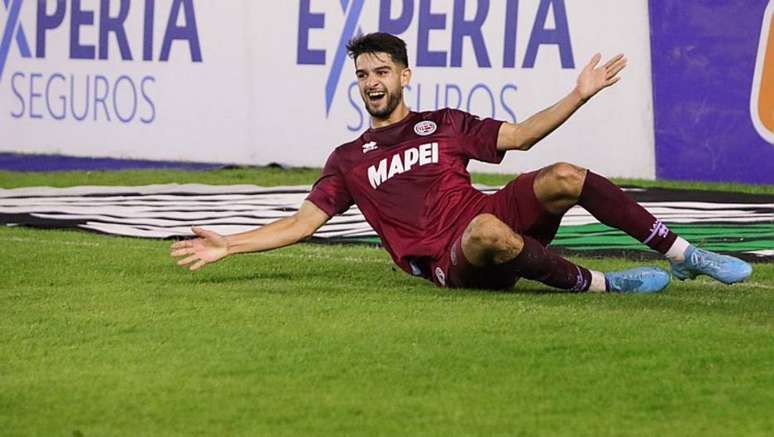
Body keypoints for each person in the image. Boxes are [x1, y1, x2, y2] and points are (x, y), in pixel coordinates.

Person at [171, 33, 752, 293]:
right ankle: (602, 285)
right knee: (487, 231)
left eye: (381, 72)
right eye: (363, 76)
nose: (372, 84)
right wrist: (230, 244)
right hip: (449, 257)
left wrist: (580, 93)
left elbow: (522, 136)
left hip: (486, 215)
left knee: (565, 175)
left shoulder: (445, 122)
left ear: (404, 75)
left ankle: (683, 255)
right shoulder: (348, 160)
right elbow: (301, 225)